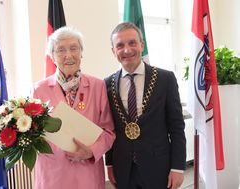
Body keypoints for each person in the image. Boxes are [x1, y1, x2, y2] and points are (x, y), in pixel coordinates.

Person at [105, 22, 186, 189]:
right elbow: (109, 128)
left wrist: (178, 167)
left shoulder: (165, 79)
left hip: (158, 167)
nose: (127, 50)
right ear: (114, 51)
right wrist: (110, 164)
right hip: (123, 169)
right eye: (120, 45)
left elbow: (176, 127)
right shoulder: (107, 84)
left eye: (132, 43)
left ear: (142, 45)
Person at [32, 26, 115, 189]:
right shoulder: (38, 89)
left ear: (81, 53)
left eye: (73, 48)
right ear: (52, 56)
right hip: (53, 175)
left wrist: (91, 151)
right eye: (60, 50)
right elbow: (32, 132)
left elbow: (109, 132)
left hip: (87, 174)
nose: (68, 55)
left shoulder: (98, 86)